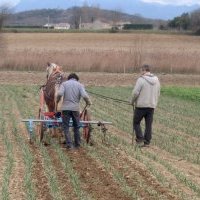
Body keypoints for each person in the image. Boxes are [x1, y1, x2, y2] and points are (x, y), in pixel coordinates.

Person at [56, 73, 91, 149]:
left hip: (65, 109)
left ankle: (69, 145)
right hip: (75, 109)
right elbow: (84, 95)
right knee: (76, 127)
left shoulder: (64, 84)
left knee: (66, 127)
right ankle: (77, 144)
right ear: (76, 79)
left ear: (69, 78)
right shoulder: (80, 85)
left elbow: (59, 93)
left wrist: (57, 100)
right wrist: (88, 102)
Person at [131, 64, 160, 147]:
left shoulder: (141, 80)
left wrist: (132, 101)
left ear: (144, 70)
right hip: (151, 106)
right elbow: (158, 92)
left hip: (141, 106)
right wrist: (154, 102)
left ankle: (140, 138)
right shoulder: (156, 80)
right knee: (148, 125)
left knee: (136, 122)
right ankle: (147, 142)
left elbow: (135, 93)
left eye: (141, 71)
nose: (140, 73)